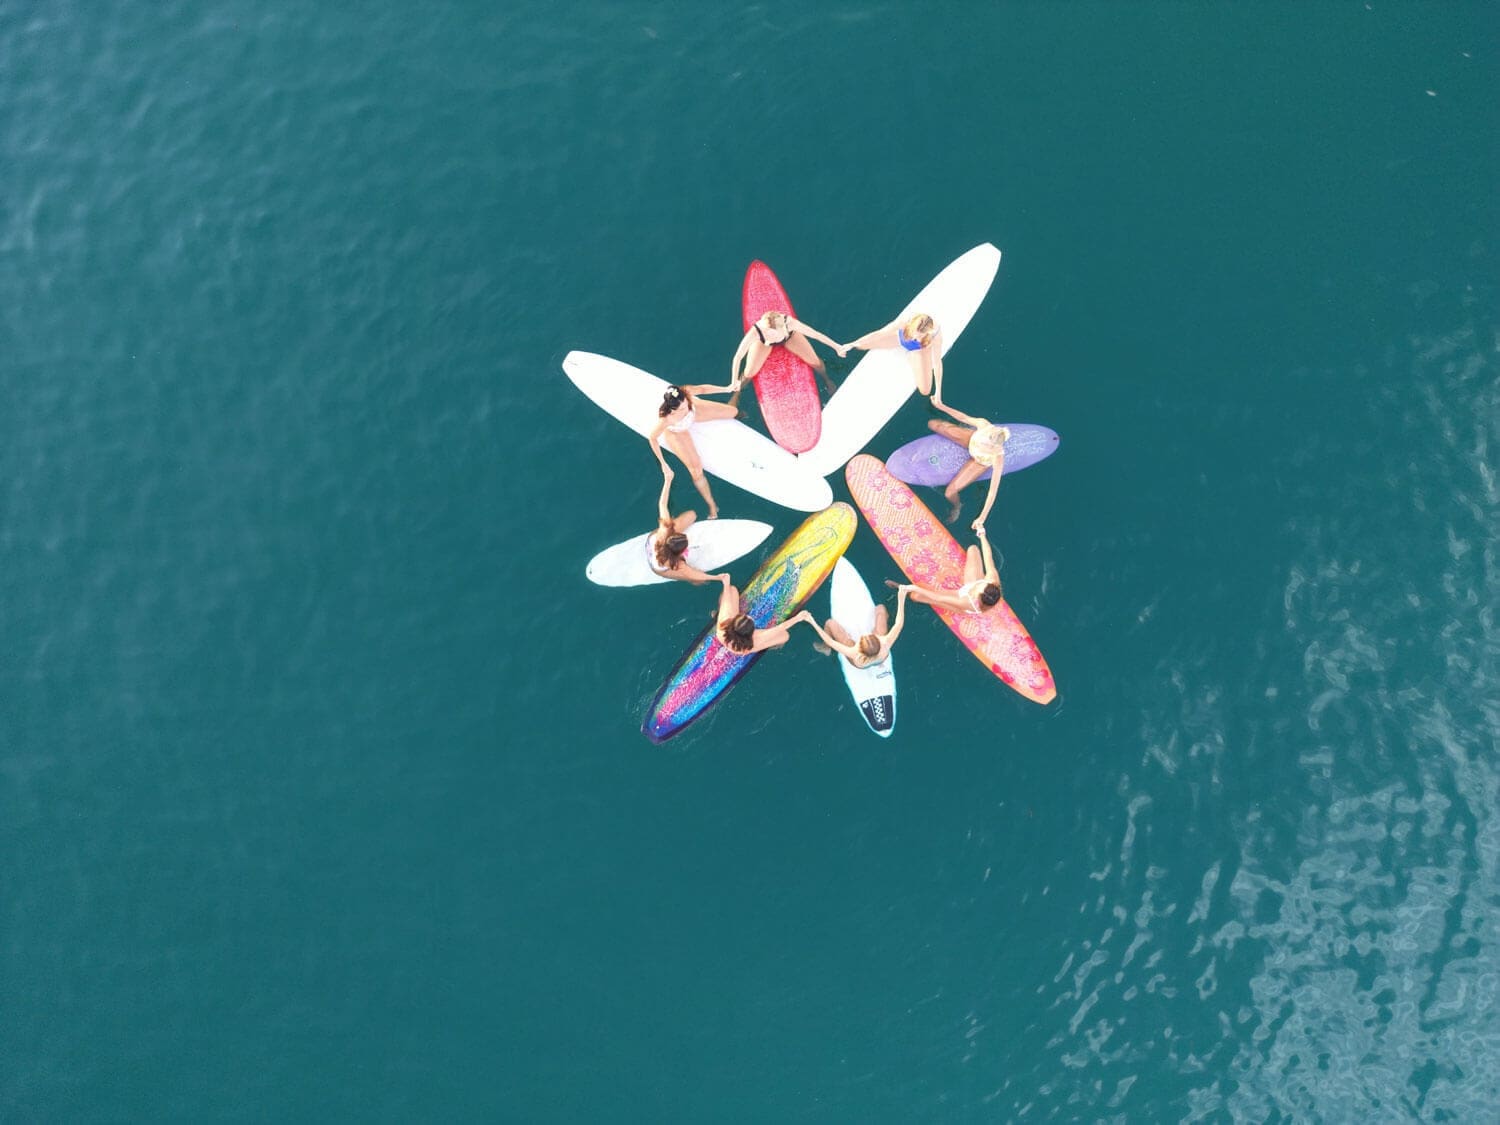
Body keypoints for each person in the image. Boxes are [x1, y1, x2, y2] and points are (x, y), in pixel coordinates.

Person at [648, 382, 737, 519]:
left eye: (685, 403)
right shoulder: (666, 419)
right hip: (678, 431)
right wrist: (663, 464)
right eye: (682, 408)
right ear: (672, 409)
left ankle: (738, 394)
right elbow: (652, 438)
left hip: (695, 413)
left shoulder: (686, 393)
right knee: (696, 470)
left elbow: (703, 389)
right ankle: (712, 505)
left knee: (733, 412)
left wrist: (726, 388)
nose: (685, 408)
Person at [729, 310, 844, 405]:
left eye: (780, 332)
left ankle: (826, 379)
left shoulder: (789, 323)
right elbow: (738, 356)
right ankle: (736, 394)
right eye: (773, 335)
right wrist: (734, 381)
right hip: (764, 343)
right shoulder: (756, 332)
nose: (778, 336)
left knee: (815, 362)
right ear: (767, 331)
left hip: (790, 338)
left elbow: (816, 334)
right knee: (748, 373)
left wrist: (837, 347)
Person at [926, 404, 1010, 527]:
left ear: (995, 446)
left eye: (989, 446)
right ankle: (955, 429)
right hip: (971, 440)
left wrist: (981, 518)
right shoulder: (984, 425)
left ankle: (957, 506)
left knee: (949, 493)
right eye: (986, 442)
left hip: (979, 461)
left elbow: (992, 492)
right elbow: (964, 417)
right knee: (932, 423)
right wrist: (941, 405)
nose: (985, 445)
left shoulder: (997, 457)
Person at [890, 524, 1003, 614]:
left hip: (962, 598)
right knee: (973, 549)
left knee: (916, 596)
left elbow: (939, 598)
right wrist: (982, 533)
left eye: (980, 588)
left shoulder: (968, 602)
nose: (979, 585)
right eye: (983, 584)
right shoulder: (992, 579)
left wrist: (914, 587)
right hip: (971, 584)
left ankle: (907, 590)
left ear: (979, 596)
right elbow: (988, 556)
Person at [645, 469, 727, 585]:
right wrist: (716, 577)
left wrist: (668, 480)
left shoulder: (665, 529)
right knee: (698, 580)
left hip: (653, 540)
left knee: (692, 515)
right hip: (657, 568)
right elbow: (693, 574)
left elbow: (662, 504)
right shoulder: (674, 563)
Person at [841, 312, 946, 400]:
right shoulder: (906, 322)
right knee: (861, 346)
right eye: (915, 334)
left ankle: (912, 356)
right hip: (902, 340)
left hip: (920, 350)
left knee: (925, 390)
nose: (916, 338)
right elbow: (880, 333)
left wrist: (938, 392)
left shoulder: (935, 336)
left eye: (920, 336)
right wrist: (852, 344)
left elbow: (937, 363)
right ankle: (909, 351)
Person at [804, 585, 910, 668]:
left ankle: (825, 649)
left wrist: (811, 621)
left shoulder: (854, 653)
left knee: (829, 623)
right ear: (878, 640)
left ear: (859, 648)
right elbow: (899, 623)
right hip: (881, 658)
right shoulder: (885, 642)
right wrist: (901, 598)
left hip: (860, 665)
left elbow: (831, 641)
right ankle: (879, 665)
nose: (865, 634)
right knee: (881, 609)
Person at [715, 579, 815, 654]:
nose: (750, 617)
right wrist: (799, 617)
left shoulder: (724, 621)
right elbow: (781, 628)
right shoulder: (756, 638)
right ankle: (765, 646)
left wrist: (726, 583)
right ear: (750, 634)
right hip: (742, 649)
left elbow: (727, 595)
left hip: (723, 638)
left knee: (732, 589)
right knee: (784, 636)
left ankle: (716, 612)